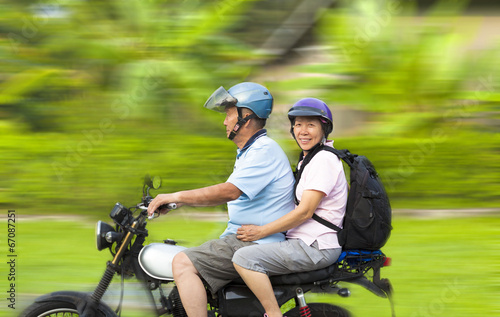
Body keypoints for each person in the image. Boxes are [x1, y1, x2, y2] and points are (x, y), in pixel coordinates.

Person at [147, 82, 295, 317]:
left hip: (254, 243)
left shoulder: (263, 151)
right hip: (243, 238)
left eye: (228, 113)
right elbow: (225, 193)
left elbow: (229, 191)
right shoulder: (250, 151)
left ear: (245, 116)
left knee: (182, 262)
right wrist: (177, 203)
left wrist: (177, 196)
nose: (225, 121)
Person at [233, 97, 349, 317]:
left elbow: (305, 211)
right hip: (307, 242)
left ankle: (273, 314)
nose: (302, 131)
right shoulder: (311, 158)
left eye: (310, 125)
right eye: (298, 125)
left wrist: (261, 231)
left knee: (244, 258)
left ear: (324, 129)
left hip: (315, 246)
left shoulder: (323, 160)